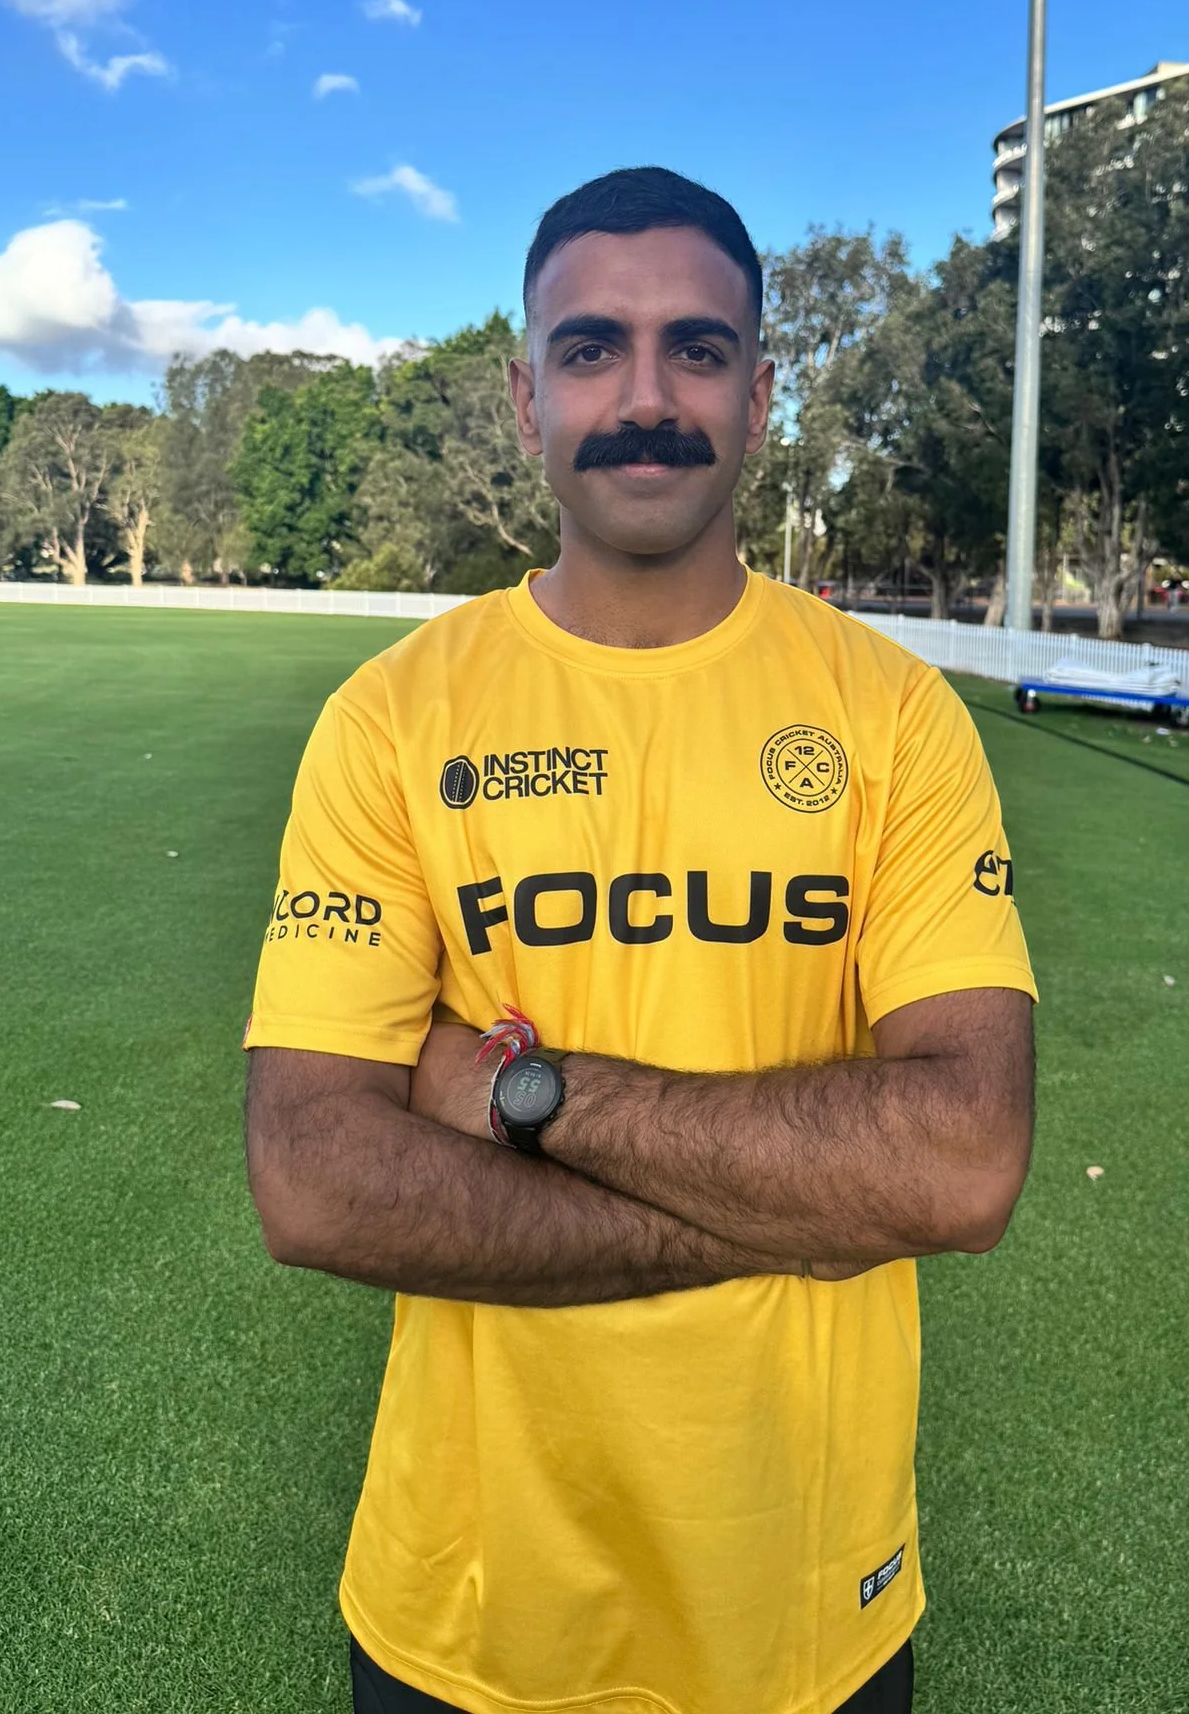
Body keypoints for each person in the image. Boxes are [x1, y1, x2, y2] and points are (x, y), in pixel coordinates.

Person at [243, 167, 1038, 1714]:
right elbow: (313, 1177)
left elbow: (959, 1161)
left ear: (759, 391)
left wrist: (517, 1096)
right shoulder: (394, 720)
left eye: (699, 348)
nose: (648, 398)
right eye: (595, 348)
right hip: (467, 1614)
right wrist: (785, 1216)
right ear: (524, 390)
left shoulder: (893, 717)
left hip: (806, 1605)